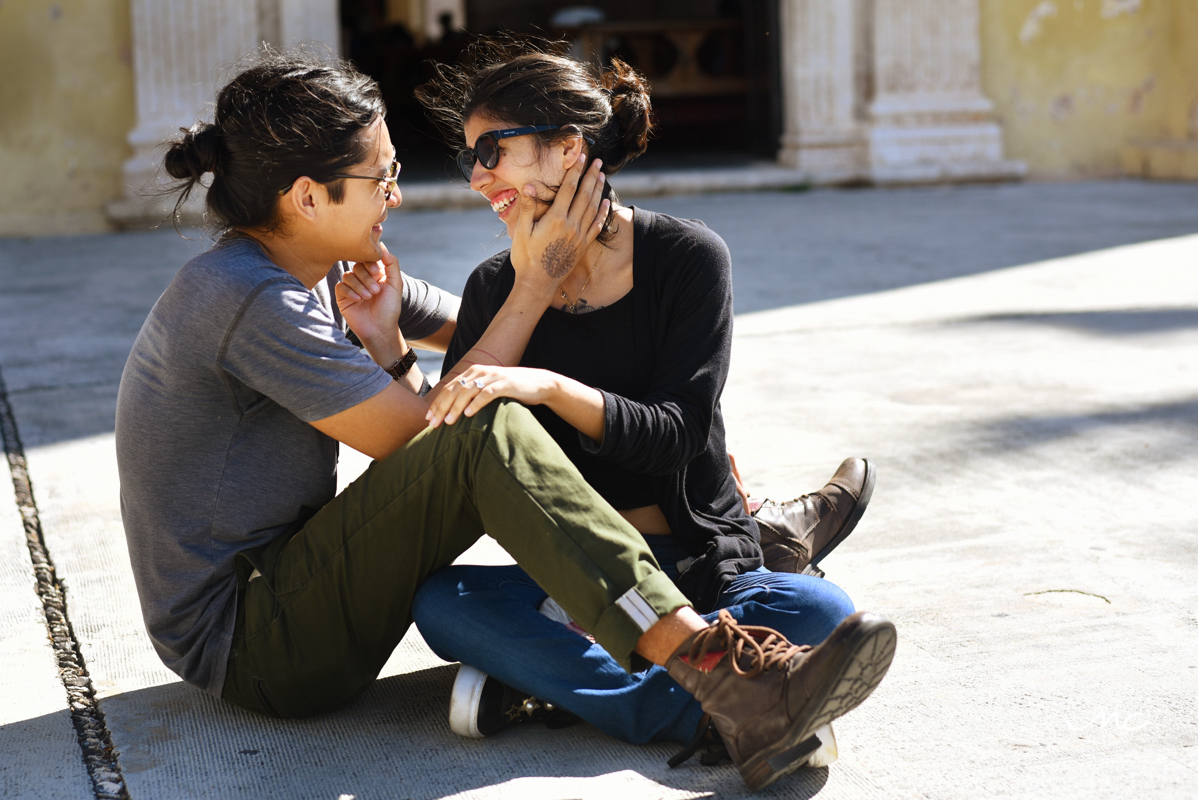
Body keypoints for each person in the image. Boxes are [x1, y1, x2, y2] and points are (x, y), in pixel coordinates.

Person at [113, 50, 895, 792]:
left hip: (304, 580)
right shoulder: (250, 298)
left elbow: (497, 337)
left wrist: (693, 462)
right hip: (253, 639)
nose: (398, 192)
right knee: (483, 428)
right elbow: (436, 435)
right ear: (309, 197)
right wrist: (525, 288)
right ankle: (718, 673)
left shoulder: (314, 274)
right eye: (381, 176)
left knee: (821, 612)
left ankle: (642, 644)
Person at [409, 44, 892, 784]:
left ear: (567, 149)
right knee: (444, 602)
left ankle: (549, 688)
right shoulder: (495, 288)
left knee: (821, 612)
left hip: (698, 573)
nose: (476, 176)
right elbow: (455, 431)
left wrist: (545, 386)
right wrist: (533, 288)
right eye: (469, 155)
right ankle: (739, 706)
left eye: (490, 151)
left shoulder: (687, 258)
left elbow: (674, 437)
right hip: (575, 582)